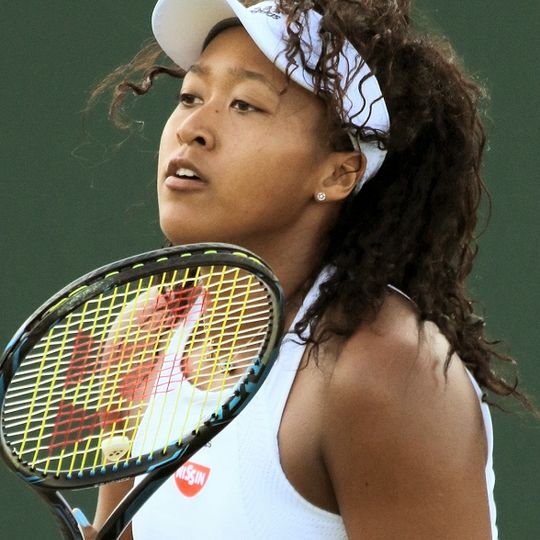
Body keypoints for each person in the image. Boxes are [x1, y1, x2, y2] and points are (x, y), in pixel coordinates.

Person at [83, 0, 531, 538]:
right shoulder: (147, 335)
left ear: (339, 173)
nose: (193, 128)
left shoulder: (383, 372)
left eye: (245, 105)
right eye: (190, 96)